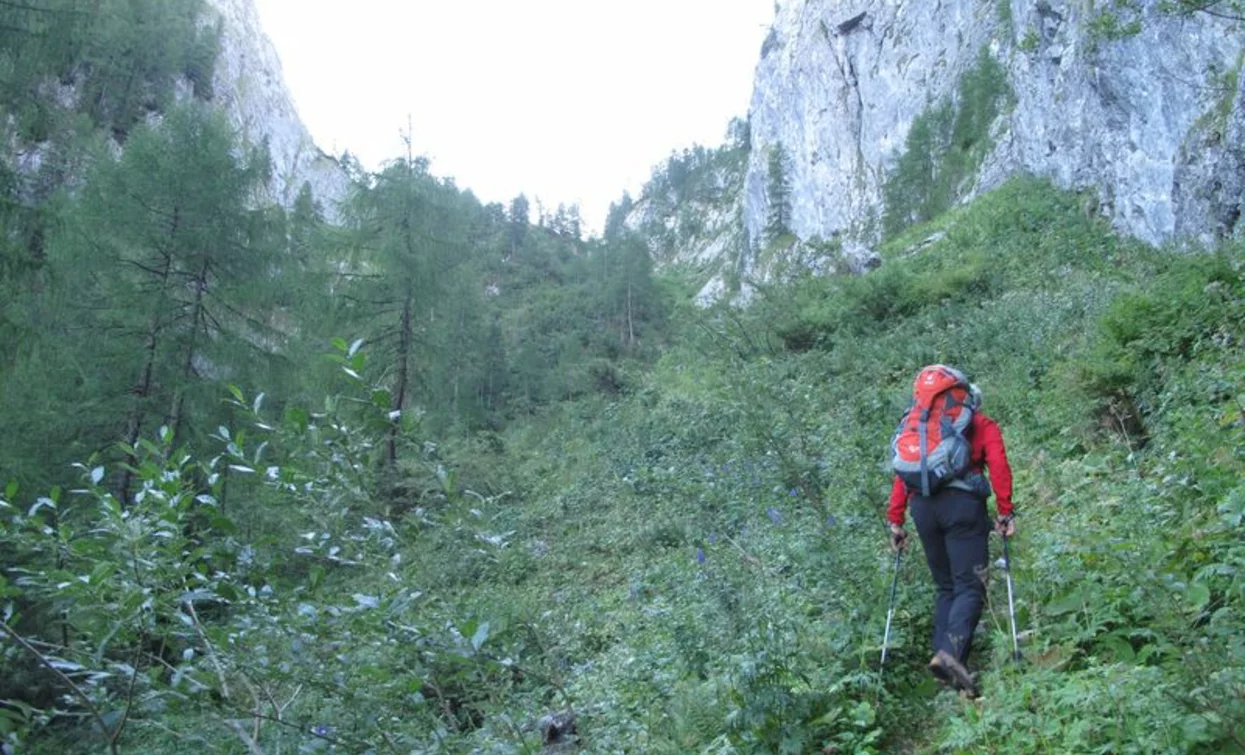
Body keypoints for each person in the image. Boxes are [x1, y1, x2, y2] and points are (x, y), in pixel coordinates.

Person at [887, 368, 1014, 696]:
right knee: (970, 587)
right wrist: (1005, 510)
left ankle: (948, 668)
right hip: (963, 508)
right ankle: (950, 658)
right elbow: (998, 465)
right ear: (960, 392)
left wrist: (896, 520)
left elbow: (902, 476)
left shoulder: (917, 427)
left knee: (946, 587)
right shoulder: (979, 423)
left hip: (923, 509)